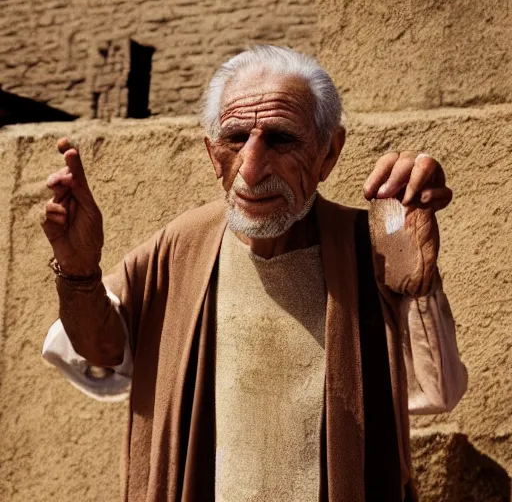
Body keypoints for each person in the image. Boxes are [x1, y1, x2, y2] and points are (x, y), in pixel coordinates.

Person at [41, 46, 467, 502]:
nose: (252, 166)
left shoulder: (368, 246)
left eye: (280, 139)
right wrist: (79, 271)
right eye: (236, 138)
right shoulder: (181, 246)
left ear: (328, 153)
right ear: (212, 153)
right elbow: (97, 352)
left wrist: (415, 285)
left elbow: (437, 391)